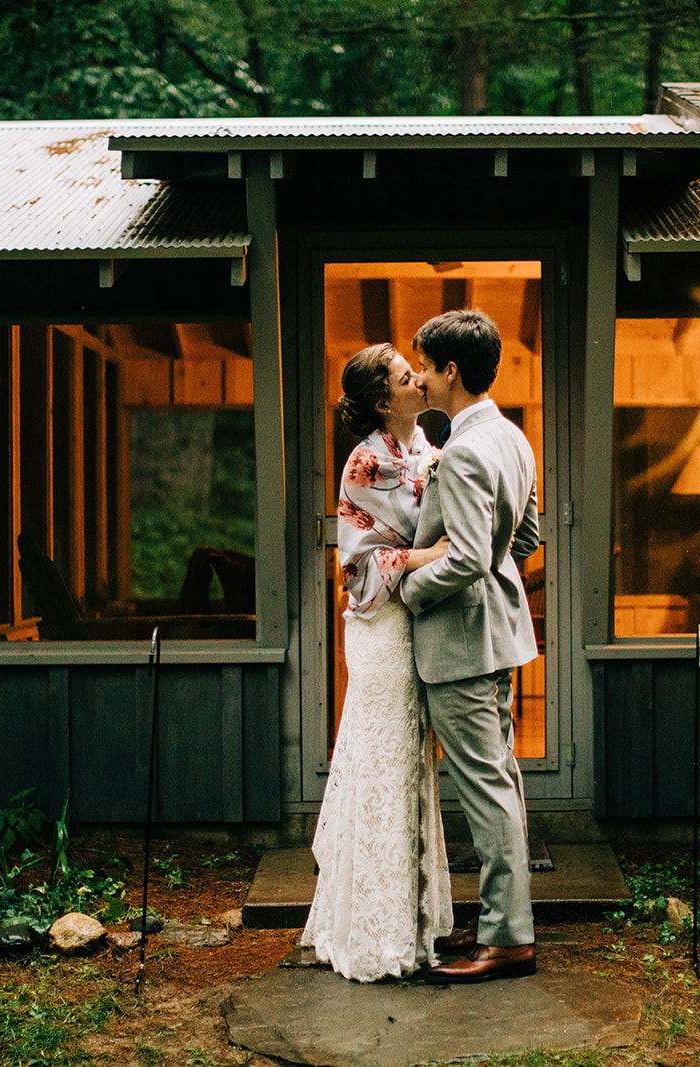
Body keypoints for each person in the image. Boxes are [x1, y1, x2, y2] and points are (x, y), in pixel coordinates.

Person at [298, 343, 455, 982]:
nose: (418, 377)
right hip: (382, 629)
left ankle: (413, 921)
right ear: (385, 400)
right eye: (402, 375)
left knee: (412, 765)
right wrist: (432, 554)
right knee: (384, 766)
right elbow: (359, 566)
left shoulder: (426, 444)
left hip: (416, 624)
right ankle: (377, 929)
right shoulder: (365, 462)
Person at [400, 309, 541, 983]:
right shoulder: (512, 438)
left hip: (460, 645)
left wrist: (407, 587)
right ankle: (498, 926)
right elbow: (526, 537)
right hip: (500, 637)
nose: (420, 379)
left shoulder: (459, 452)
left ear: (450, 370)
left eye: (425, 366)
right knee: (501, 783)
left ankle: (508, 939)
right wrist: (487, 570)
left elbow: (464, 561)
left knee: (486, 792)